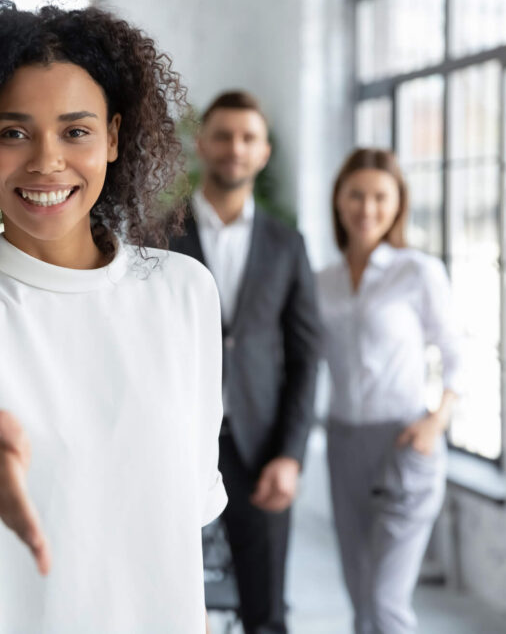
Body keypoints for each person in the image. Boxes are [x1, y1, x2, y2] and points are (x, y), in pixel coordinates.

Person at [0, 0, 226, 633]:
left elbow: (181, 527)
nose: (45, 161)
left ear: (115, 137)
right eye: (13, 132)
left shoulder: (185, 292)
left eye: (75, 131)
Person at [168, 90, 321, 633]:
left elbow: (306, 357)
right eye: (224, 135)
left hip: (262, 449)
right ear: (203, 145)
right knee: (169, 600)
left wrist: (292, 455)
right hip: (177, 444)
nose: (235, 147)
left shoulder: (288, 245)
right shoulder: (159, 237)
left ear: (264, 152)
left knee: (266, 609)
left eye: (248, 137)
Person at [317, 148, 464, 634]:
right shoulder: (323, 282)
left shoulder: (417, 272)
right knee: (360, 597)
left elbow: (457, 354)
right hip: (343, 444)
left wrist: (435, 421)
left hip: (405, 441)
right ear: (338, 201)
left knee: (385, 601)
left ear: (398, 203)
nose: (367, 207)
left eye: (381, 196)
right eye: (356, 194)